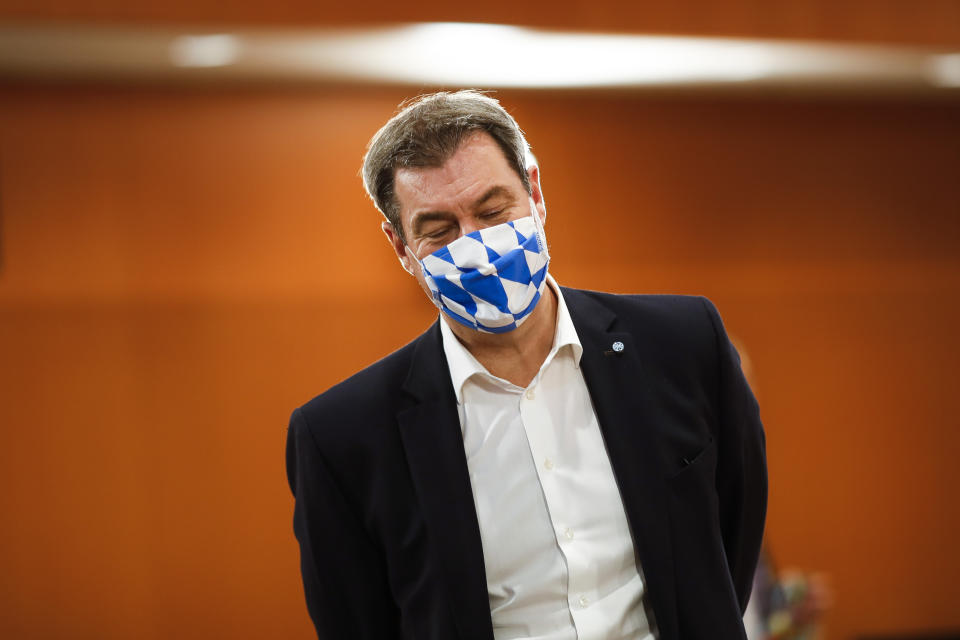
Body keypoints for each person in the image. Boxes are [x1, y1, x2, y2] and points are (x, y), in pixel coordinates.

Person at [286, 90, 767, 640]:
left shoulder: (681, 344)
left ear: (535, 193)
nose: (478, 248)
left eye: (493, 212)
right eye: (439, 230)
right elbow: (355, 622)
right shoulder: (342, 437)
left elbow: (734, 533)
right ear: (400, 246)